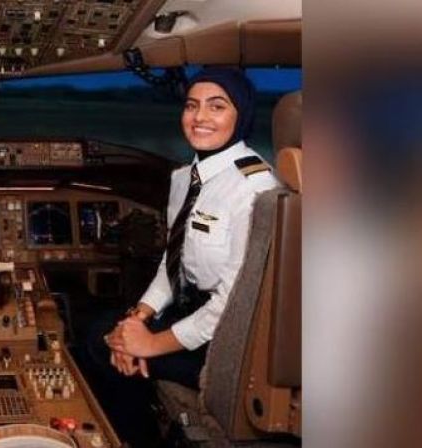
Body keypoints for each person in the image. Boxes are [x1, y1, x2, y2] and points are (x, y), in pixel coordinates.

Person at [81, 67, 281, 446]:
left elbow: (232, 303)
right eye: (192, 106)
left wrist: (150, 344)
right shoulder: (185, 178)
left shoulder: (255, 189)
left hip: (228, 342)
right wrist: (138, 317)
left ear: (242, 115)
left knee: (96, 341)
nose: (200, 117)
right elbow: (174, 263)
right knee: (109, 330)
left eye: (217, 106)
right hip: (191, 312)